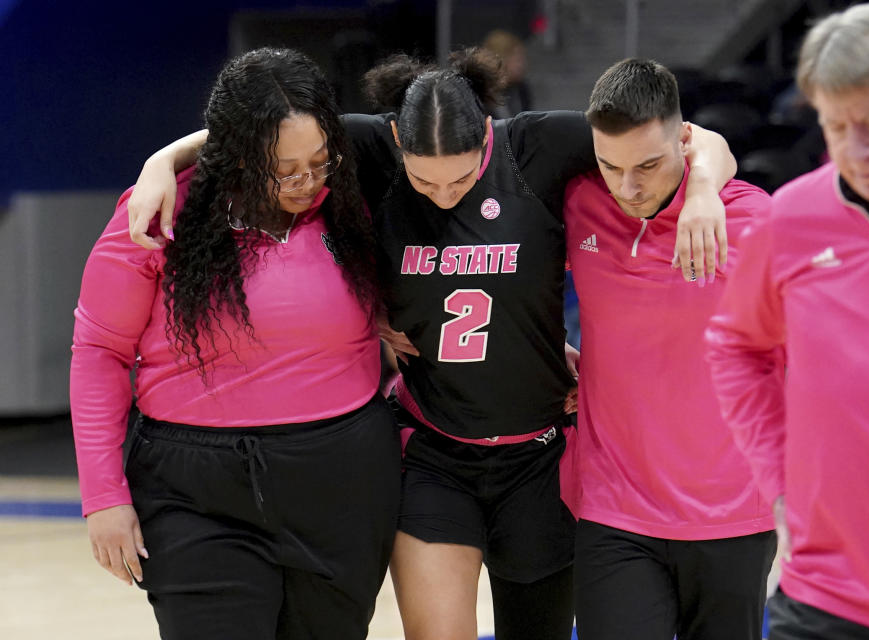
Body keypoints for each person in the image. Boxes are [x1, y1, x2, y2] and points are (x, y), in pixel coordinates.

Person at [126, 47, 735, 640]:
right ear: (395, 140)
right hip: (432, 455)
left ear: (488, 141)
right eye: (425, 181)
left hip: (541, 454)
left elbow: (687, 137)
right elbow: (256, 133)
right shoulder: (368, 145)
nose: (444, 195)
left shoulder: (535, 146)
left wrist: (704, 188)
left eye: (462, 179)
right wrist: (161, 160)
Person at [70, 48, 401, 640]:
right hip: (194, 490)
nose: (307, 182)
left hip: (344, 484)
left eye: (320, 161)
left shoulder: (352, 197)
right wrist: (103, 498)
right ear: (237, 157)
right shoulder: (159, 212)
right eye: (284, 169)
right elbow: (100, 353)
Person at [705, 3, 869, 639]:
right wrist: (780, 481)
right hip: (825, 596)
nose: (856, 150)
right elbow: (736, 347)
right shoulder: (792, 218)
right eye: (836, 126)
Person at [562, 58, 776, 640]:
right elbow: (507, 276)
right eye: (611, 166)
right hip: (612, 508)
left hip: (732, 511)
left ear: (684, 140)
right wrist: (545, 347)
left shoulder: (752, 219)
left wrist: (705, 186)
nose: (627, 188)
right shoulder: (581, 202)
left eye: (648, 166)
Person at [481, 29, 532, 118]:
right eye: (518, 60)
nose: (522, 65)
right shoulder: (481, 95)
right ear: (502, 59)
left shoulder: (521, 90)